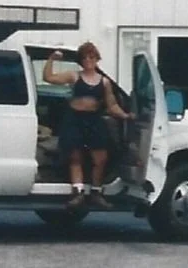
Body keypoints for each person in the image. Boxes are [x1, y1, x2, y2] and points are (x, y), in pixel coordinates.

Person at [42, 42, 133, 209]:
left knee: (101, 158)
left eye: (92, 57)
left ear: (97, 58)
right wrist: (51, 59)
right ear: (81, 60)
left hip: (94, 120)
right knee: (75, 157)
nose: (88, 60)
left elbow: (112, 105)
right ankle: (78, 193)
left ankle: (96, 192)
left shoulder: (104, 82)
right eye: (85, 57)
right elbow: (49, 78)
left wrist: (125, 115)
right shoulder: (74, 76)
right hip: (74, 120)